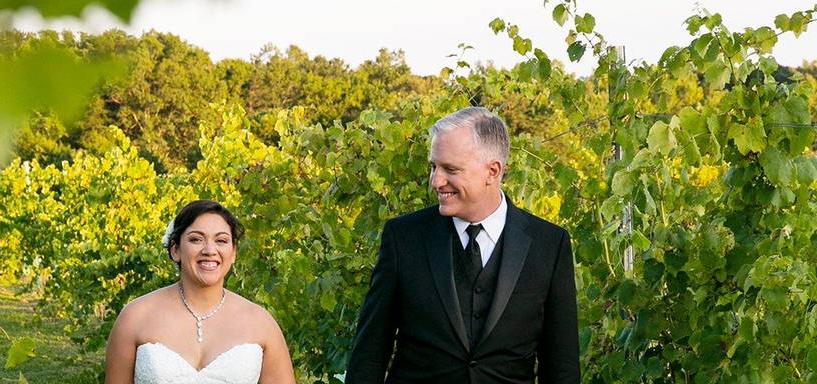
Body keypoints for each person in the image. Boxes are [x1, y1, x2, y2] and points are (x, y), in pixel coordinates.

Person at [345, 107, 580, 384]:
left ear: (492, 171)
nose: (436, 181)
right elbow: (370, 353)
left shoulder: (548, 245)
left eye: (450, 169)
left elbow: (561, 366)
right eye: (434, 166)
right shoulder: (403, 238)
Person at [105, 200, 297, 384]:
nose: (210, 250)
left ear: (233, 253)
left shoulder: (261, 323)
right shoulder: (135, 317)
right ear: (175, 250)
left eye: (221, 240)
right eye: (196, 239)